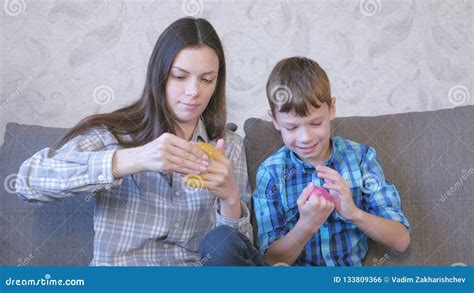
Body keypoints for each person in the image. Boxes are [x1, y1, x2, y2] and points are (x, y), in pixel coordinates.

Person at [15, 17, 252, 266]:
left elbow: (241, 260)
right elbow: (27, 182)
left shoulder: (229, 146)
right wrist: (134, 158)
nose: (194, 91)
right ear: (159, 76)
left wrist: (231, 198)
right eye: (180, 76)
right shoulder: (112, 133)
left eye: (206, 79)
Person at [200, 56, 410, 266]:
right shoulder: (271, 172)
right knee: (221, 245)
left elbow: (401, 240)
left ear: (332, 109)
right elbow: (270, 260)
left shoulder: (361, 158)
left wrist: (353, 213)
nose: (306, 137)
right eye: (291, 127)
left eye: (316, 123)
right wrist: (307, 225)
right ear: (274, 120)